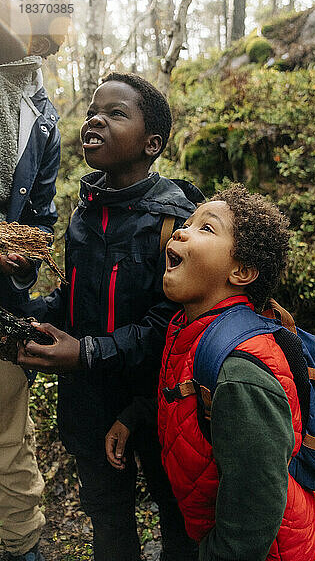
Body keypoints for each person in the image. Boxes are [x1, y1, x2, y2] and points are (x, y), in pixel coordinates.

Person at [16, 73, 201, 561]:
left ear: (151, 144)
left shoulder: (174, 221)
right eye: (94, 110)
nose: (95, 117)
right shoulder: (82, 214)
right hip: (89, 404)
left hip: (158, 402)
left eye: (117, 113)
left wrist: (86, 352)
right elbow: (76, 296)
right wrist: (28, 318)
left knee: (177, 513)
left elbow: (173, 322)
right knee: (106, 513)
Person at [155, 184, 315, 561]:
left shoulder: (239, 371)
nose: (181, 230)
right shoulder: (189, 326)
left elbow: (255, 506)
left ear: (242, 271)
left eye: (206, 228)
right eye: (187, 221)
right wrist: (133, 416)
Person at [0, 0, 67, 558]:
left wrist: (22, 254)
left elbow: (40, 213)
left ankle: (22, 548)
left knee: (10, 449)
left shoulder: (41, 114)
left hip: (1, 312)